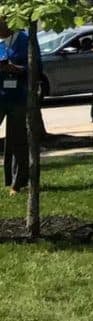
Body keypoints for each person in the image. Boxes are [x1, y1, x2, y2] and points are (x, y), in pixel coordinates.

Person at [0, 16, 31, 194]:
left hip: (18, 97)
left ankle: (18, 183)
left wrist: (13, 68)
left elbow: (35, 69)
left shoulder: (24, 41)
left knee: (17, 141)